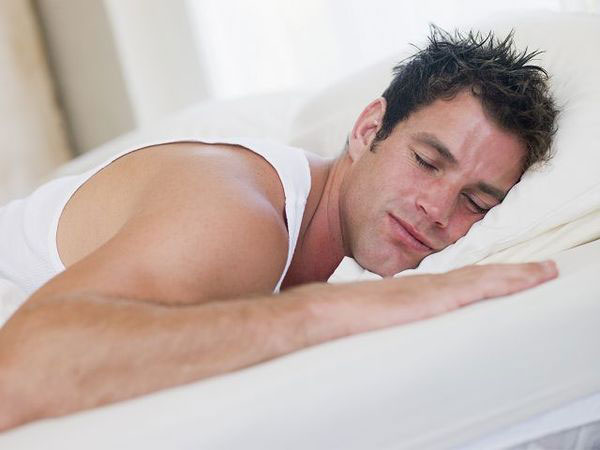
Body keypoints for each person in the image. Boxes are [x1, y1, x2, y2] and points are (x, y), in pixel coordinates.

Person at [0, 27, 559, 430]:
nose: (437, 209)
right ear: (369, 129)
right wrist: (333, 312)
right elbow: (19, 373)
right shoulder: (233, 212)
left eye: (475, 202)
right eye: (427, 161)